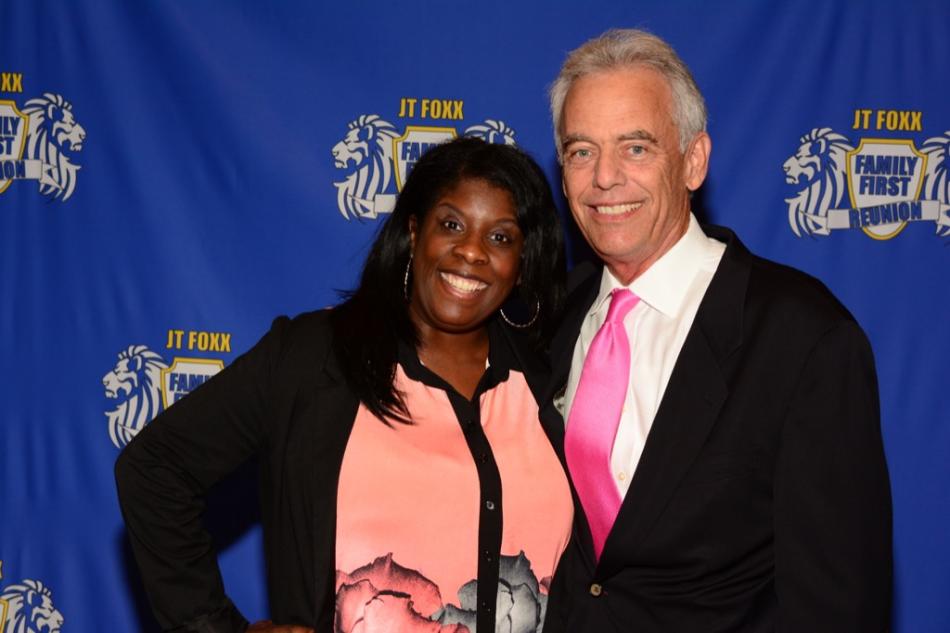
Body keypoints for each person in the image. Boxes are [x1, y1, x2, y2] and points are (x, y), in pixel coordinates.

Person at [115, 137, 574, 633]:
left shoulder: (554, 377)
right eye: (451, 225)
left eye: (500, 237)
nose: (471, 251)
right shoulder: (314, 359)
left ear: (523, 262)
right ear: (414, 232)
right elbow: (154, 470)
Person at [542, 29, 892, 633]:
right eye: (581, 152)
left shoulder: (803, 337)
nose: (604, 178)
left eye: (635, 148)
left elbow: (839, 604)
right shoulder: (553, 315)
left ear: (694, 161)